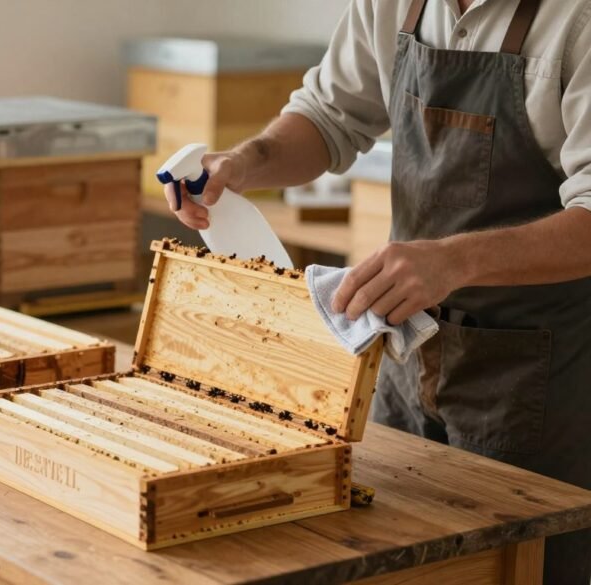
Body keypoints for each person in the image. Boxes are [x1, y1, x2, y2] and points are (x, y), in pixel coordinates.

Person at [165, 0, 591, 581]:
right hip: (401, 348)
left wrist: (453, 259)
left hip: (535, 373)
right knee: (390, 556)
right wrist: (245, 163)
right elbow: (328, 117)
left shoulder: (578, 20)